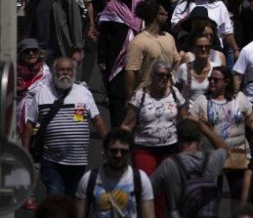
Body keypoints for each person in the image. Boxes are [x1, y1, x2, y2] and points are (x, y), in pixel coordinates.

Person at [21, 56, 107, 198]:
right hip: (51, 162)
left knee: (73, 200)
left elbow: (97, 120)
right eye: (61, 70)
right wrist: (25, 149)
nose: (65, 73)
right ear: (54, 72)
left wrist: (107, 143)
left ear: (74, 72)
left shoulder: (84, 93)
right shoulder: (42, 94)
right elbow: (29, 124)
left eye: (69, 70)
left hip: (78, 162)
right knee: (56, 199)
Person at [190, 64, 253, 207]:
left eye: (216, 79)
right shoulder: (202, 101)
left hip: (238, 158)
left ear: (226, 81)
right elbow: (191, 124)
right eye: (210, 79)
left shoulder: (239, 98)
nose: (212, 82)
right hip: (212, 159)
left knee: (238, 201)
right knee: (211, 203)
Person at [121, 59, 187, 178]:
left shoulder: (174, 93)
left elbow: (184, 119)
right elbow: (127, 124)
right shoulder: (140, 96)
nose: (164, 78)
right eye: (160, 75)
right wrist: (117, 143)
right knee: (148, 183)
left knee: (167, 184)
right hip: (144, 147)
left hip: (170, 148)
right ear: (151, 76)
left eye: (167, 75)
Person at [149, 118, 228, 218]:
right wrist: (205, 129)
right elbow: (224, 149)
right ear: (199, 138)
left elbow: (149, 190)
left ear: (178, 139)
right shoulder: (213, 159)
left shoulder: (169, 164)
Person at [75, 129, 156, 218]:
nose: (118, 155)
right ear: (105, 152)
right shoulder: (89, 179)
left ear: (129, 153)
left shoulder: (141, 180)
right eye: (114, 151)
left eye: (124, 151)